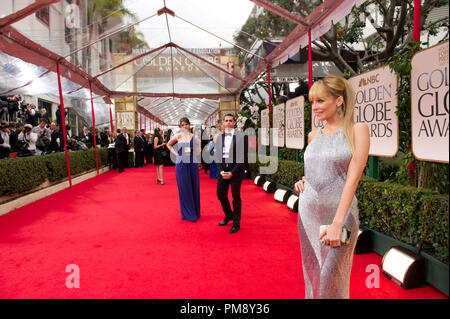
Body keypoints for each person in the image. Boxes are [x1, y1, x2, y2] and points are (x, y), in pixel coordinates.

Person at [294, 74, 370, 299]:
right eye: (312, 102)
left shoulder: (357, 130)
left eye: (320, 101)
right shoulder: (313, 135)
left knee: (332, 280)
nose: (315, 107)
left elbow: (352, 179)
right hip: (308, 215)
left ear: (339, 100)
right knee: (313, 277)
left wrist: (337, 223)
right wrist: (303, 180)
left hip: (341, 216)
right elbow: (317, 170)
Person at [216, 114, 248, 234]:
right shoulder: (220, 138)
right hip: (223, 172)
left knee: (236, 198)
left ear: (234, 123)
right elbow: (218, 157)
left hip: (236, 173)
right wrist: (221, 171)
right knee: (220, 195)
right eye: (226, 121)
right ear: (223, 123)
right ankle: (228, 215)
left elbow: (242, 157)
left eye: (230, 121)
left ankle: (236, 223)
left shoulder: (241, 137)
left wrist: (232, 173)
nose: (228, 123)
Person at [167, 117, 201, 222]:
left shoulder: (195, 137)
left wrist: (195, 156)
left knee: (194, 186)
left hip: (192, 163)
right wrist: (176, 154)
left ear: (189, 125)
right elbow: (168, 144)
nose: (184, 126)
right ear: (180, 127)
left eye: (186, 124)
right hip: (181, 164)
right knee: (184, 187)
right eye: (182, 125)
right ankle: (188, 214)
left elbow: (198, 150)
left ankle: (195, 211)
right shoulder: (178, 136)